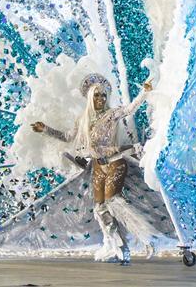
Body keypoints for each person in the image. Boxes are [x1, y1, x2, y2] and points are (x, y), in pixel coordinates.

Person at [32, 74, 157, 264]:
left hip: (115, 162)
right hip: (98, 166)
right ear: (90, 97)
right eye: (97, 95)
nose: (101, 99)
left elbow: (130, 109)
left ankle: (142, 236)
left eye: (104, 95)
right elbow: (67, 137)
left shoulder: (112, 114)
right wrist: (46, 129)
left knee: (113, 202)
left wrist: (144, 92)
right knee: (100, 209)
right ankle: (116, 244)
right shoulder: (82, 120)